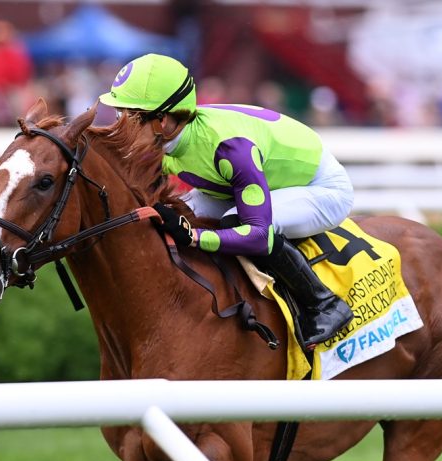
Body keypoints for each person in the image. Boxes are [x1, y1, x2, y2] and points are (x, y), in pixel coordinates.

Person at [99, 53, 354, 349]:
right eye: (119, 114)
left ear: (163, 120)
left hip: (320, 187)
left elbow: (256, 235)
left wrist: (194, 237)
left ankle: (324, 304)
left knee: (236, 222)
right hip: (240, 185)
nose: (119, 126)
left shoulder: (230, 149)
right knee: (172, 214)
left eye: (128, 116)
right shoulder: (165, 139)